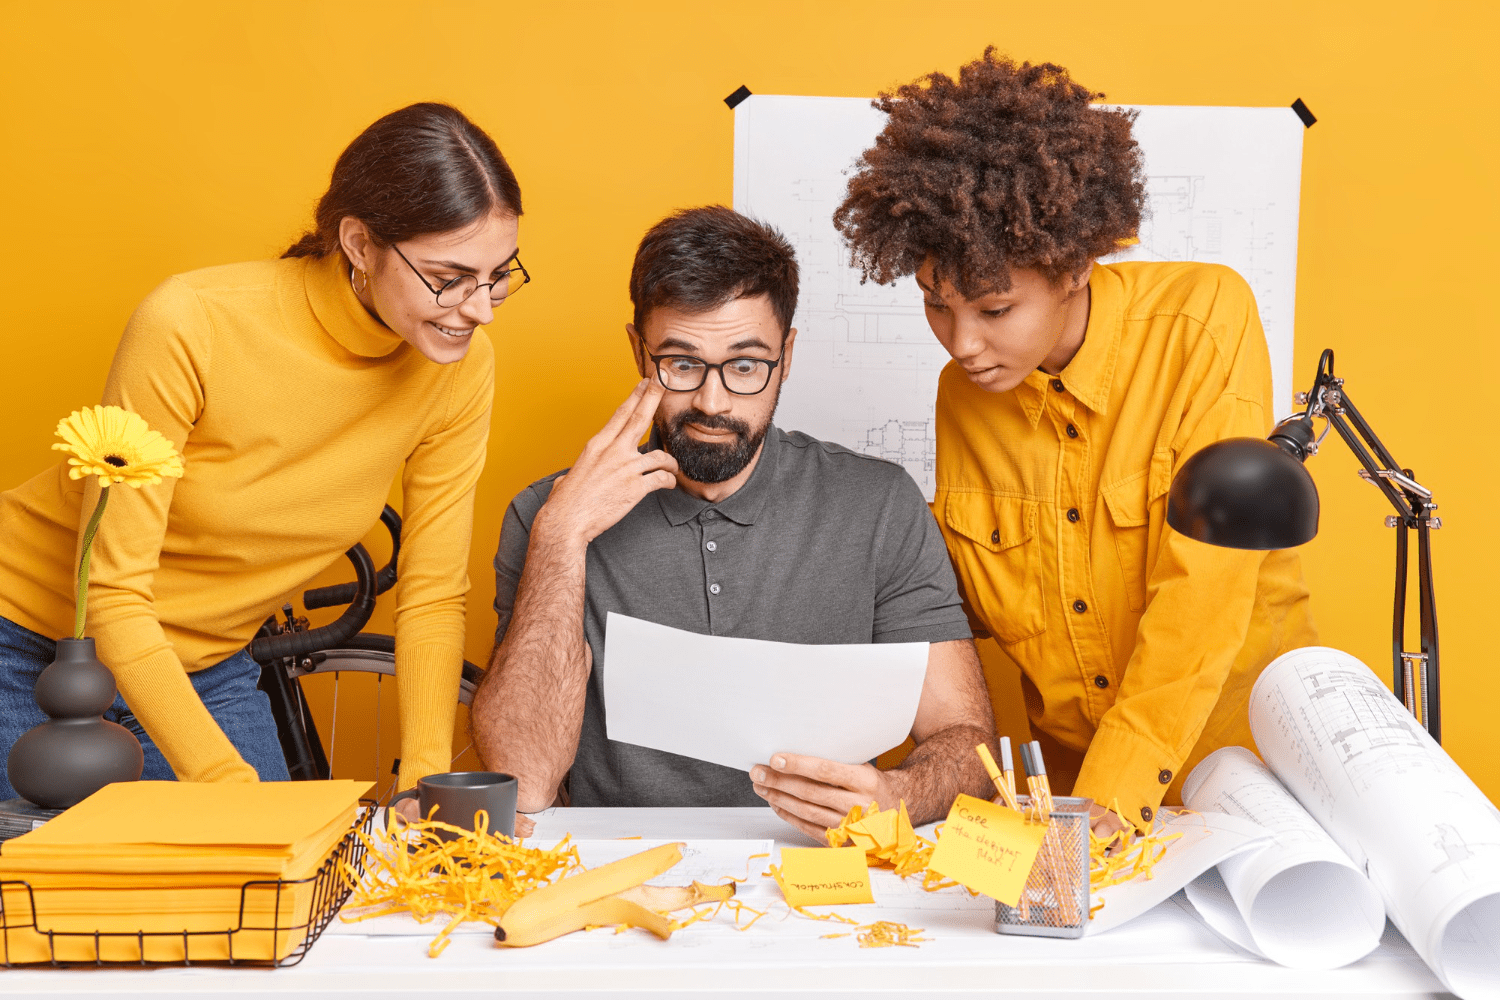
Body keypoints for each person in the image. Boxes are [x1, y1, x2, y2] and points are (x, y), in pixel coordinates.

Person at [832, 52, 1317, 835]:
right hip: (1070, 793)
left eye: (994, 309)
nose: (960, 343)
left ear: (1075, 266)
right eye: (935, 305)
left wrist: (1114, 795)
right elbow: (958, 591)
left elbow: (1204, 592)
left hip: (1241, 779)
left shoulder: (1203, 321)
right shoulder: (967, 393)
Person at [0, 102, 524, 801]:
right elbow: (115, 596)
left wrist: (429, 784)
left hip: (206, 667)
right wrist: (230, 795)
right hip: (36, 648)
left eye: (498, 275)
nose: (480, 307)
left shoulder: (461, 366)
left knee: (279, 899)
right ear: (360, 243)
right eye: (448, 277)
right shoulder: (194, 323)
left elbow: (432, 593)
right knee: (54, 902)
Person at [471, 206, 997, 841]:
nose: (713, 403)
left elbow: (967, 745)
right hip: (613, 876)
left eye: (746, 366)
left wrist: (902, 796)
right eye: (681, 364)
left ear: (788, 356)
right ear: (639, 350)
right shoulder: (547, 514)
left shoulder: (878, 505)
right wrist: (561, 538)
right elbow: (523, 779)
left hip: (818, 874)